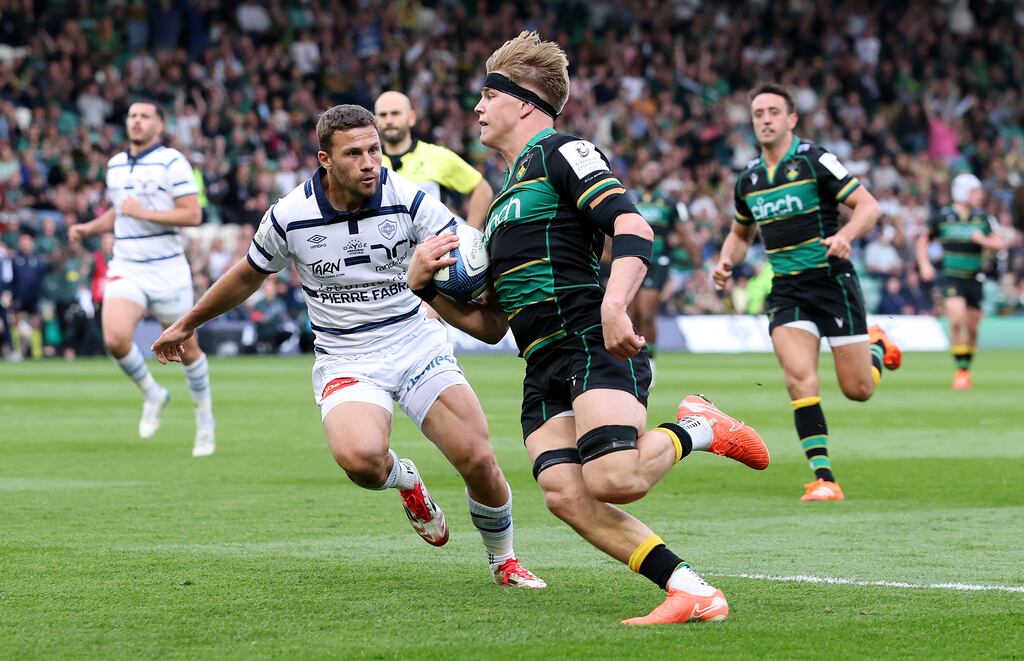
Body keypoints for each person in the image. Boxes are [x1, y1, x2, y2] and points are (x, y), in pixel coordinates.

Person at [407, 31, 769, 626]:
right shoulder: (501, 203)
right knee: (565, 495)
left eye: (486, 95)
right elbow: (493, 323)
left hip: (587, 340)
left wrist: (616, 305)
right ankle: (691, 590)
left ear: (522, 101)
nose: (476, 108)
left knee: (615, 478)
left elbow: (633, 228)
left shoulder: (563, 152)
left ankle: (699, 426)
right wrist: (425, 289)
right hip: (540, 362)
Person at [151, 104, 545, 589]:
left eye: (375, 150)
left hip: (414, 341)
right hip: (346, 356)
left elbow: (462, 244)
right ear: (325, 159)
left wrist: (478, 270)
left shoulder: (407, 197)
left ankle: (503, 560)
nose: (369, 163)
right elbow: (248, 275)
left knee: (479, 460)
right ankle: (406, 480)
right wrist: (187, 324)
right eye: (354, 153)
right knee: (361, 462)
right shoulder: (290, 215)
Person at [714, 83, 902, 503]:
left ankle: (876, 345)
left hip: (832, 282)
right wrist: (727, 261)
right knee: (800, 380)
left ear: (791, 119)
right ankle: (824, 478)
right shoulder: (749, 178)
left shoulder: (815, 160)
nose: (765, 119)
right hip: (787, 290)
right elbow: (740, 234)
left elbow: (869, 206)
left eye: (773, 112)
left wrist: (846, 235)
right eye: (758, 112)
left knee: (858, 390)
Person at [69, 100, 215, 457]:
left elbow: (193, 214)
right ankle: (153, 393)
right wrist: (90, 227)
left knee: (187, 349)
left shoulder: (172, 161)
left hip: (166, 267)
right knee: (116, 339)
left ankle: (204, 420)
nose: (135, 121)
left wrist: (142, 212)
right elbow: (120, 213)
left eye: (144, 116)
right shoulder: (115, 164)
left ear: (160, 124)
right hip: (128, 264)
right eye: (131, 115)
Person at [916, 173, 1004, 390]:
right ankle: (960, 371)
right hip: (951, 276)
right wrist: (924, 264)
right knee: (956, 320)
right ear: (963, 193)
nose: (979, 196)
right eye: (975, 192)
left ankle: (966, 367)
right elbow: (923, 238)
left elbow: (999, 243)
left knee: (973, 327)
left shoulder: (983, 219)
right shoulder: (943, 217)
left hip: (975, 278)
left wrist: (982, 240)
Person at [374, 91, 494, 229]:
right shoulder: (370, 163)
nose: (389, 120)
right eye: (383, 115)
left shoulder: (437, 156)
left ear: (411, 117)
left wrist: (470, 234)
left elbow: (482, 190)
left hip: (434, 246)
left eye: (395, 113)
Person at [627, 160, 701, 381]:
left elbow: (686, 235)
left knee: (647, 313)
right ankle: (632, 361)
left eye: (654, 170)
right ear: (640, 174)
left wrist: (697, 266)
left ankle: (650, 362)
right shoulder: (629, 198)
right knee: (632, 315)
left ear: (660, 177)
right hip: (631, 260)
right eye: (646, 169)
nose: (650, 173)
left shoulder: (669, 203)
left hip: (657, 262)